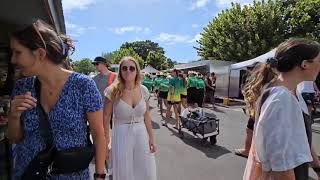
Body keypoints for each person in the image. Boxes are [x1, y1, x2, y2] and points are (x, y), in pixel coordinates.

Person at [7, 19, 106, 180]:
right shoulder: (22, 87)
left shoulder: (83, 86)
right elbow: (15, 138)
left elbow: (98, 134)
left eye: (17, 52)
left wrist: (100, 174)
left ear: (40, 54)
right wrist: (13, 115)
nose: (13, 60)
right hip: (29, 174)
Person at [243, 38, 320, 180]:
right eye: (319, 61)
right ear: (305, 64)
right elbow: (281, 169)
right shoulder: (281, 99)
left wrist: (317, 166)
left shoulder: (291, 91)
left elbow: (303, 135)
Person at [103, 56, 157, 180]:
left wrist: (151, 139)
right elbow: (106, 120)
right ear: (120, 71)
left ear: (137, 71)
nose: (128, 71)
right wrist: (107, 143)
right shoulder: (112, 91)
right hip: (121, 134)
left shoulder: (143, 90)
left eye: (132, 68)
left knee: (144, 170)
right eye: (124, 68)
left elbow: (147, 116)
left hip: (141, 133)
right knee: (124, 171)